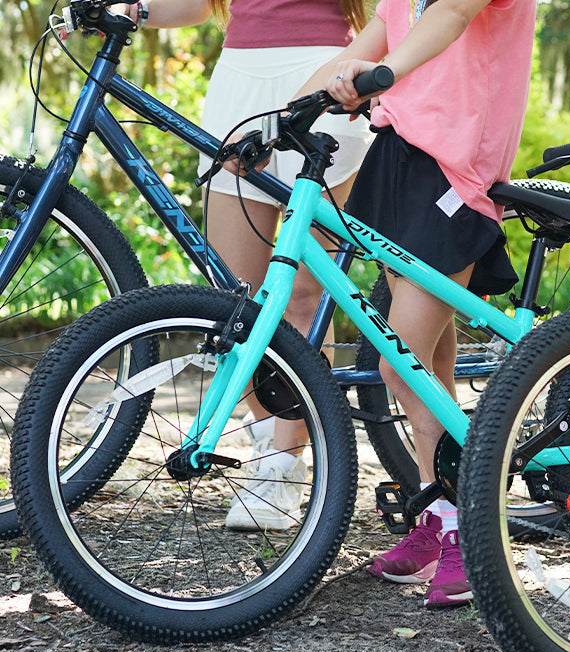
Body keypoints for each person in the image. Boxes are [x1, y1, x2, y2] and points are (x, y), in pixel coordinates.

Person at [285, 0, 536, 608]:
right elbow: (371, 38)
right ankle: (439, 507)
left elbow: (449, 14)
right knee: (431, 368)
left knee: (400, 365)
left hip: (453, 167)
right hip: (397, 150)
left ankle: (475, 529)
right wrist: (284, 113)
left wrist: (384, 73)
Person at [115, 0, 374, 531]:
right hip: (240, 81)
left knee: (305, 296)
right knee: (235, 300)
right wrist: (134, 9)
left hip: (329, 70)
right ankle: (266, 436)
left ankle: (283, 465)